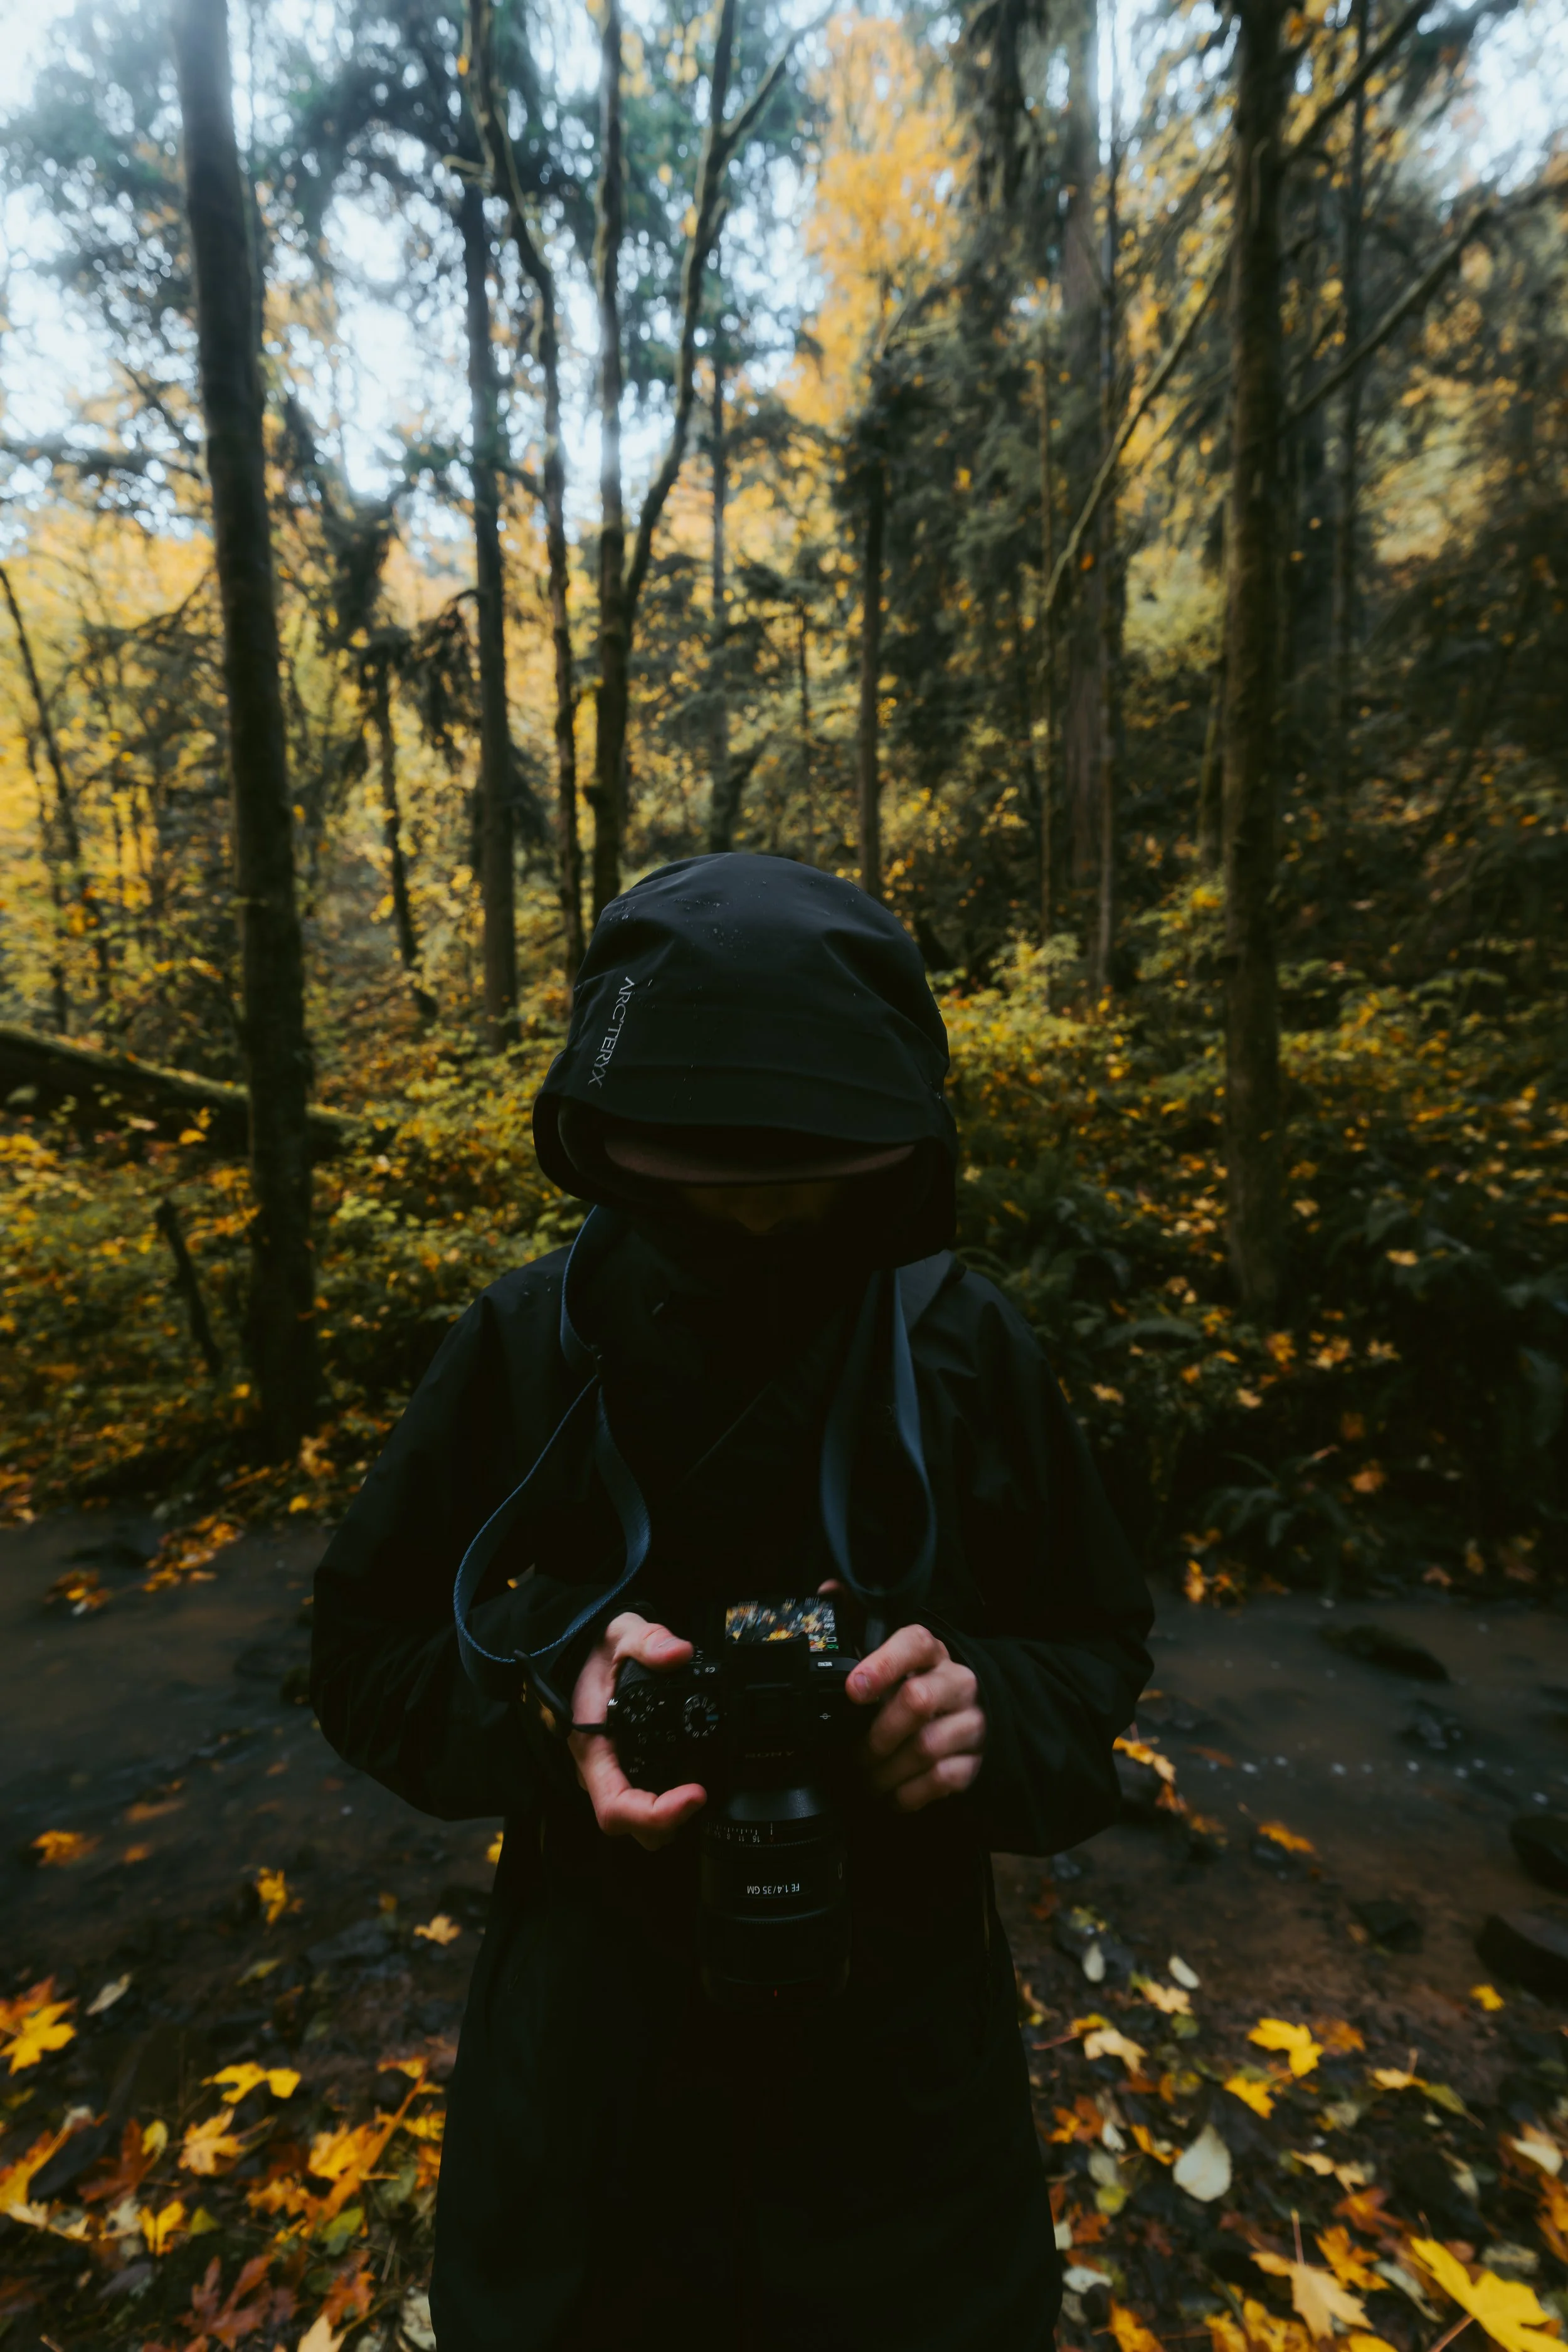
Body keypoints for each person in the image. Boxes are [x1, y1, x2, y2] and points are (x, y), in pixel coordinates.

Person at [311, 852, 1152, 2352]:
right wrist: (549, 1692)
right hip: (588, 2071)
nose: (760, 1237)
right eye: (704, 1201)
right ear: (607, 1154)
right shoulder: (525, 1346)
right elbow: (356, 1649)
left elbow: (1093, 1643)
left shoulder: (959, 1347)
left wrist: (977, 1716)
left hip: (903, 2087)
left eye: (802, 1197)